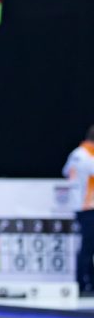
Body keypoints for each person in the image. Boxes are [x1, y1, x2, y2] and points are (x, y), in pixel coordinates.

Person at [62, 125, 94, 294]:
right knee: (88, 248)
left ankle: (87, 282)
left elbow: (66, 171)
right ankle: (82, 284)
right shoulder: (88, 156)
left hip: (80, 206)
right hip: (88, 206)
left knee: (88, 247)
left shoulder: (75, 153)